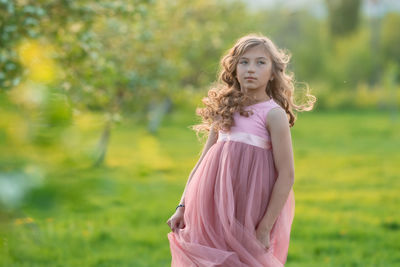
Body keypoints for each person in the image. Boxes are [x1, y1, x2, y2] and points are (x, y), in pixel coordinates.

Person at [166, 33, 316, 266]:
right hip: (211, 203)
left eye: (260, 62)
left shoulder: (272, 115)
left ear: (273, 72)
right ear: (234, 69)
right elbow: (203, 160)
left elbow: (287, 174)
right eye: (244, 62)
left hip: (249, 208)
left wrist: (264, 228)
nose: (251, 69)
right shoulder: (225, 109)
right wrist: (182, 206)